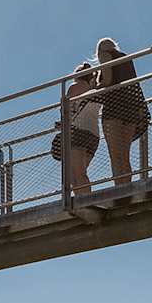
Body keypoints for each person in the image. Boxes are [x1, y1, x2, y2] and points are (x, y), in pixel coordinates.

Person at [91, 36, 149, 189]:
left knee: (115, 156)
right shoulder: (125, 58)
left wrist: (95, 86)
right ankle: (127, 188)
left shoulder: (105, 55)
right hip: (130, 107)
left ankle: (120, 189)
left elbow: (108, 81)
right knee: (125, 156)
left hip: (114, 107)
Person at [54, 59, 101, 202]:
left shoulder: (75, 87)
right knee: (79, 173)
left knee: (76, 174)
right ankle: (84, 200)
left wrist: (63, 106)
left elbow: (66, 111)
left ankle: (85, 201)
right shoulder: (96, 90)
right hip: (93, 135)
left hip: (78, 132)